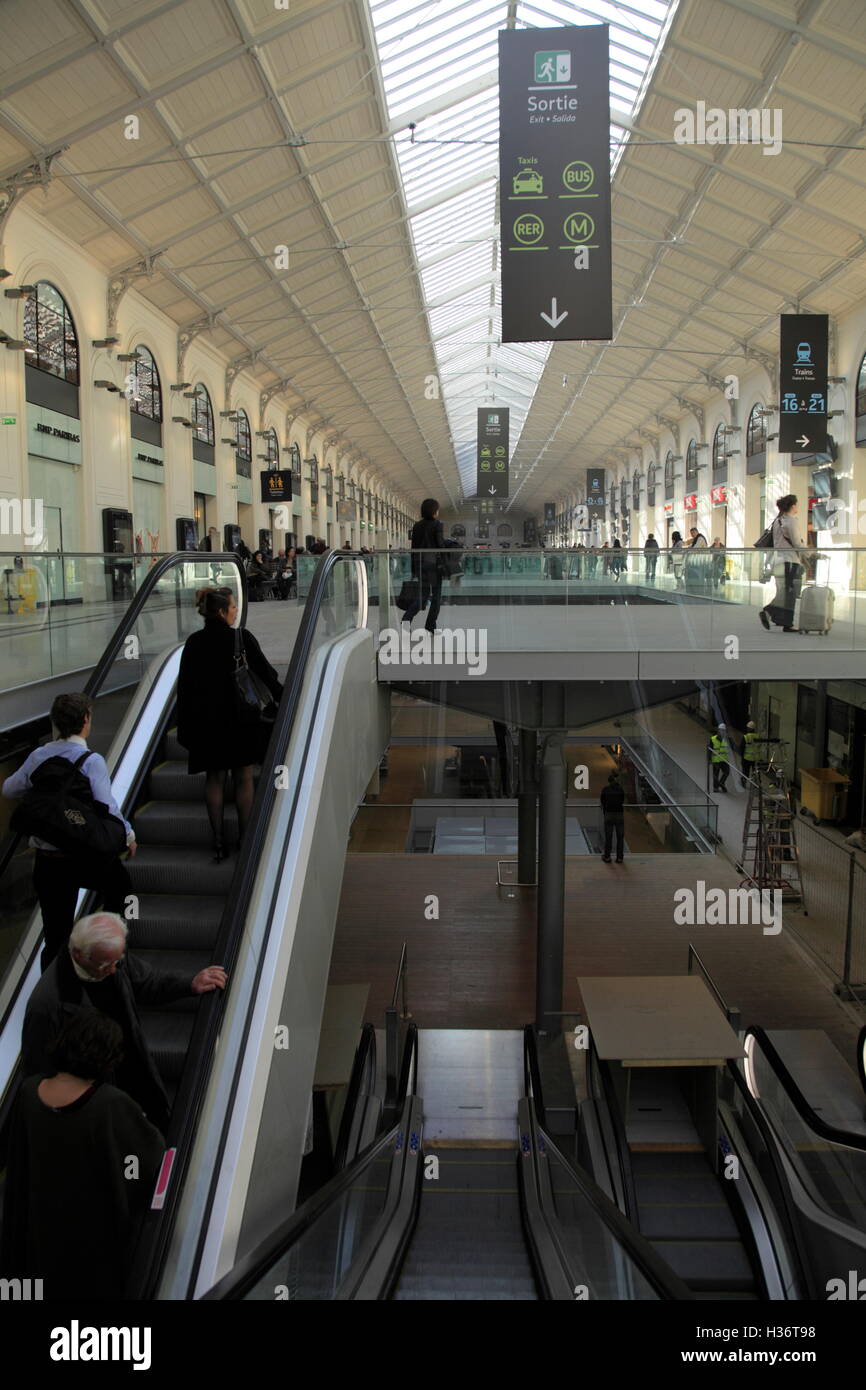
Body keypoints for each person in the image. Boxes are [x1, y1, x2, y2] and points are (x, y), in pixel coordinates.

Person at [2, 1010, 164, 1301]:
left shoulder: (28, 1092)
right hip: (93, 1242)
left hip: (41, 1233)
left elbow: (20, 1157)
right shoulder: (110, 1104)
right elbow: (145, 1163)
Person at [21, 913, 226, 1134]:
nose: (113, 970)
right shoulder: (46, 1005)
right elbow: (38, 1074)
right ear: (79, 955)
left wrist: (189, 984)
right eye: (105, 964)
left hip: (135, 1070)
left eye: (118, 961)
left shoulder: (113, 958)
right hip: (99, 1101)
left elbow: (146, 982)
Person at [2, 692, 137, 971]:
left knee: (55, 935)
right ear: (85, 720)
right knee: (121, 887)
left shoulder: (39, 755)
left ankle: (53, 996)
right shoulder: (91, 760)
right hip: (83, 856)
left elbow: (9, 788)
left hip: (48, 862)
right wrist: (128, 835)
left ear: (56, 722)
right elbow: (107, 806)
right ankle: (104, 950)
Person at [176, 587, 283, 862]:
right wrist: (284, 697)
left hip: (206, 722)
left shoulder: (193, 643)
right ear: (222, 612)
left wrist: (186, 726)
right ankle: (245, 839)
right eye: (233, 607)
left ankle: (218, 841)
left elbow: (185, 688)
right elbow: (265, 673)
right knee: (243, 777)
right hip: (240, 720)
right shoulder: (240, 637)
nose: (236, 611)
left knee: (215, 778)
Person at [758, 495, 806, 633]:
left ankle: (782, 620)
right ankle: (774, 615)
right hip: (789, 561)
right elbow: (797, 543)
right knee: (789, 593)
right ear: (792, 506)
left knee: (784, 592)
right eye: (796, 504)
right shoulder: (791, 522)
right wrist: (811, 553)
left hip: (778, 561)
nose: (798, 507)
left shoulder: (778, 521)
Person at [403, 498, 445, 633]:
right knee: (436, 596)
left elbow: (413, 548)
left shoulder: (417, 526)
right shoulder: (438, 524)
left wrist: (413, 569)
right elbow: (440, 545)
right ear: (434, 511)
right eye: (437, 509)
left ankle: (406, 620)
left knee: (423, 595)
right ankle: (430, 626)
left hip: (420, 564)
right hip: (434, 565)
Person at [600, 772, 626, 864]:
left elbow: (602, 801)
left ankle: (607, 857)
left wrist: (605, 812)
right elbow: (622, 800)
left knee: (608, 836)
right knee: (620, 837)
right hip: (619, 814)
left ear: (609, 781)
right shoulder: (620, 790)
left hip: (608, 814)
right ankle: (619, 858)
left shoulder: (605, 789)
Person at [708, 723, 731, 793]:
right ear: (718, 730)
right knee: (716, 774)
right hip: (716, 760)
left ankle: (721, 783)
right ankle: (716, 787)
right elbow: (709, 750)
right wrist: (709, 759)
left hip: (724, 760)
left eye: (724, 731)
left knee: (727, 772)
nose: (722, 732)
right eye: (721, 730)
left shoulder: (727, 739)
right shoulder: (713, 739)